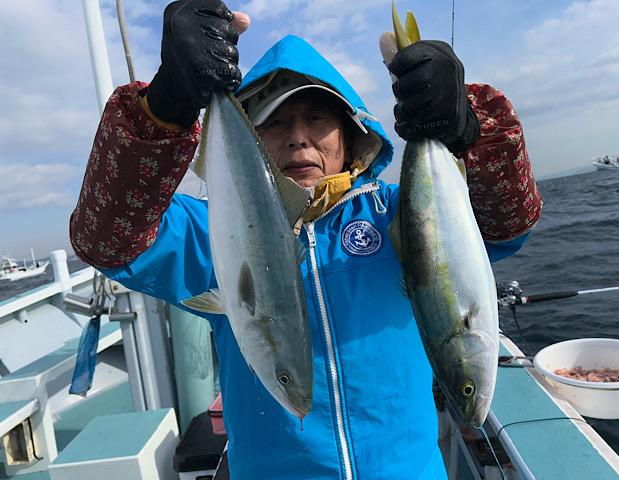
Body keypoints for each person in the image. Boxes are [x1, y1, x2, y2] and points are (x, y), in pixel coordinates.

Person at [70, 1, 542, 478]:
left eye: (316, 118)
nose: (297, 138)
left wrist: (472, 128)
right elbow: (106, 240)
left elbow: (508, 222)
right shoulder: (209, 233)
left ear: (350, 134)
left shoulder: (402, 215)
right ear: (250, 139)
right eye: (274, 122)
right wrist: (164, 109)